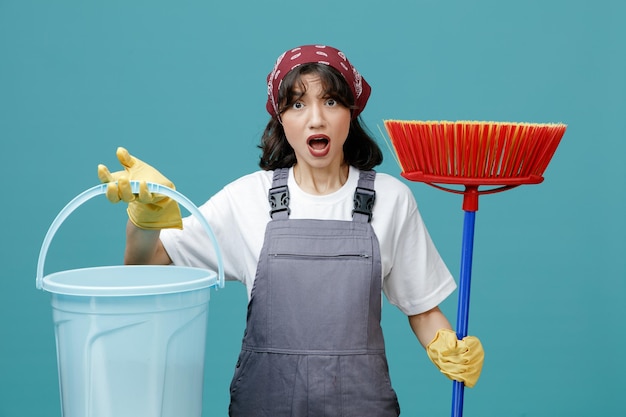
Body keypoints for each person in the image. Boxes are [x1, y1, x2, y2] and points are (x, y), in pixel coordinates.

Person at [98, 44, 484, 416]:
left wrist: (446, 346)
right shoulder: (248, 198)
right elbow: (147, 266)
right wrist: (145, 218)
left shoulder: (391, 199)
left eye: (330, 101)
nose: (316, 118)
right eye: (298, 104)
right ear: (281, 119)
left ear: (351, 110)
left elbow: (422, 309)